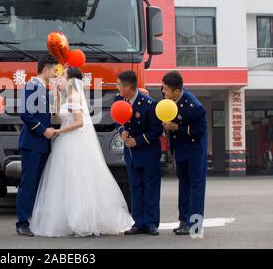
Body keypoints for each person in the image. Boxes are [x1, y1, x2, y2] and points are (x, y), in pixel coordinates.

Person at [29, 67, 133, 237]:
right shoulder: (66, 96)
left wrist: (58, 132)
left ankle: (79, 219)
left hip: (72, 140)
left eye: (62, 76)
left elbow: (78, 123)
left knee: (76, 178)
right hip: (65, 142)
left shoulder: (74, 96)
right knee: (65, 180)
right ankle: (69, 218)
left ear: (71, 80)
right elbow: (59, 118)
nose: (59, 78)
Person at [114, 71, 163, 236]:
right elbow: (118, 121)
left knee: (150, 188)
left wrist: (138, 140)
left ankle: (151, 223)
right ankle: (138, 222)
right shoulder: (119, 100)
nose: (117, 87)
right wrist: (121, 131)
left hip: (148, 153)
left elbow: (156, 131)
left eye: (119, 84)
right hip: (131, 154)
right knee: (135, 188)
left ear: (128, 87)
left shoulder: (149, 104)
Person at [16, 55, 58, 236]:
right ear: (46, 69)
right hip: (32, 143)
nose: (56, 73)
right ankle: (22, 222)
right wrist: (44, 131)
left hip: (41, 144)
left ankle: (33, 219)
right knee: (28, 184)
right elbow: (25, 114)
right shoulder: (32, 86)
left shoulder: (43, 88)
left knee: (39, 184)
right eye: (55, 70)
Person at [161, 71, 207, 236]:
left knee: (196, 186)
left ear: (177, 91)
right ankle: (183, 220)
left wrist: (175, 127)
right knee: (183, 185)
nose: (163, 92)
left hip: (194, 150)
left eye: (166, 89)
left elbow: (198, 132)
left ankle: (194, 225)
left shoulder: (194, 107)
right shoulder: (170, 101)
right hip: (180, 149)